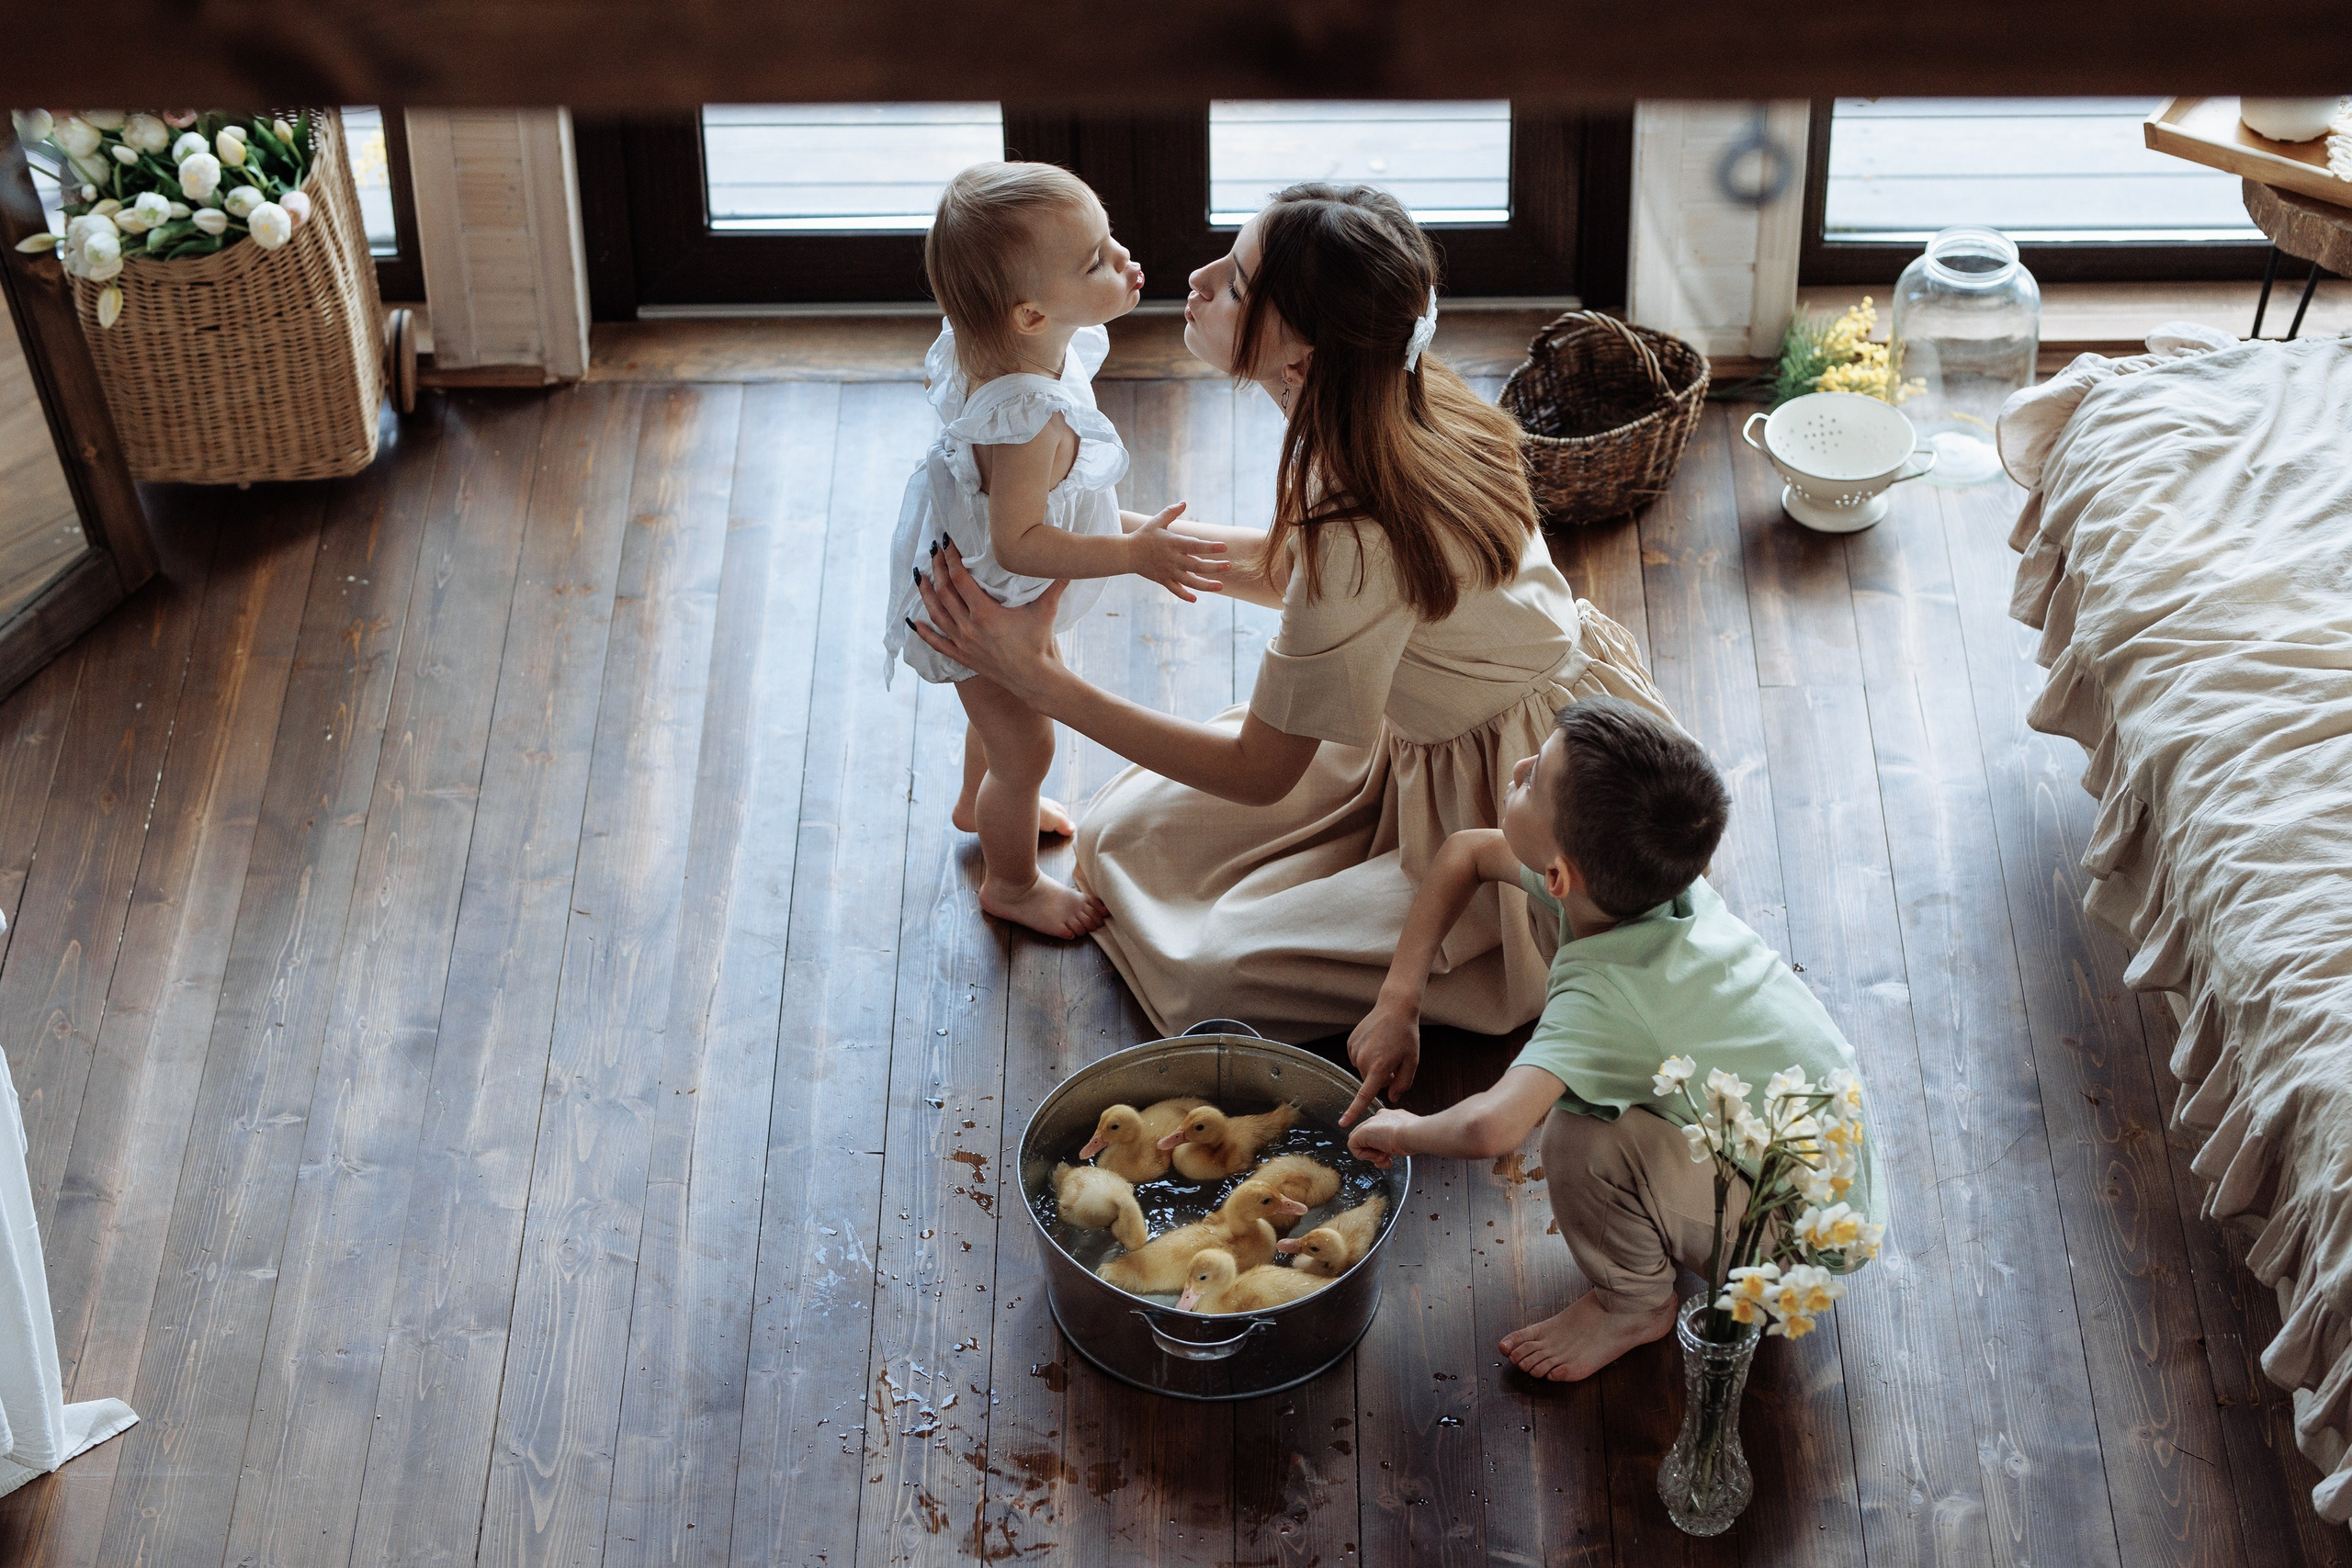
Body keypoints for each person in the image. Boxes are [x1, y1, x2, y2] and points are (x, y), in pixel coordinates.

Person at [910, 182, 1670, 1039]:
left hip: (1506, 782)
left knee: (1205, 973)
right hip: (1419, 735)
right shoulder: (1381, 396)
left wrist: (1040, 679)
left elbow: (1259, 766)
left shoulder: (1359, 516)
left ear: (1300, 360)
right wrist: (1108, 544)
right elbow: (1305, 569)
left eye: (1233, 283)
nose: (1196, 280)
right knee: (1118, 838)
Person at [1338, 698, 1883, 1381]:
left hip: (1795, 1238)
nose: (1523, 763)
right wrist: (1399, 1001)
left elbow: (1489, 1127)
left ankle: (1635, 1304)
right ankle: (1665, 1224)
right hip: (1822, 1157)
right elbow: (1467, 853)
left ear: (1561, 874)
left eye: (1536, 779)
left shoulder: (1607, 996)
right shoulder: (1656, 889)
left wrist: (1400, 1130)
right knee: (1592, 1081)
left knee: (1575, 1134)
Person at [887, 162, 1228, 939]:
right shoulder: (1028, 417)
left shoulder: (1008, 344)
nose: (1125, 262)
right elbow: (1019, 540)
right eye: (1097, 261)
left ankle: (981, 798)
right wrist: (1132, 552)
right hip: (984, 603)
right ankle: (1010, 883)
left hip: (981, 582)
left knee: (1003, 714)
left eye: (1110, 241)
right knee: (1028, 743)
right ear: (1031, 315)